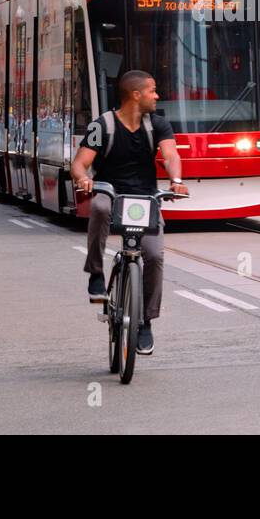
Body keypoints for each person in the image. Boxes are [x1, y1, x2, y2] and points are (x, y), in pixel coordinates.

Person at [70, 70, 188, 356]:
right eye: (153, 90)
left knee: (155, 255)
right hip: (112, 192)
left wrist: (176, 180)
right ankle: (96, 274)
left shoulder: (157, 124)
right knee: (98, 205)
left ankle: (145, 321)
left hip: (145, 198)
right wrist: (83, 179)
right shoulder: (104, 125)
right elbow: (79, 164)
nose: (157, 96)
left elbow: (171, 154)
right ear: (136, 95)